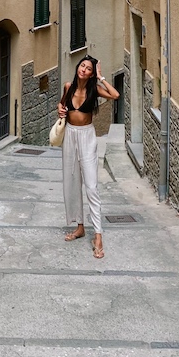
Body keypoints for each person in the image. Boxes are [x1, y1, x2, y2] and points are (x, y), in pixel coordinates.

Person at [57, 54, 118, 258]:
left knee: (91, 186)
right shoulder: (68, 87)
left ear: (92, 73)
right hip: (70, 136)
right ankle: (80, 227)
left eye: (88, 68)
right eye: (82, 66)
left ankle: (98, 235)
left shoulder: (95, 90)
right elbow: (62, 105)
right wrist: (59, 109)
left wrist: (100, 77)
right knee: (73, 181)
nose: (83, 69)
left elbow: (115, 95)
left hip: (87, 137)